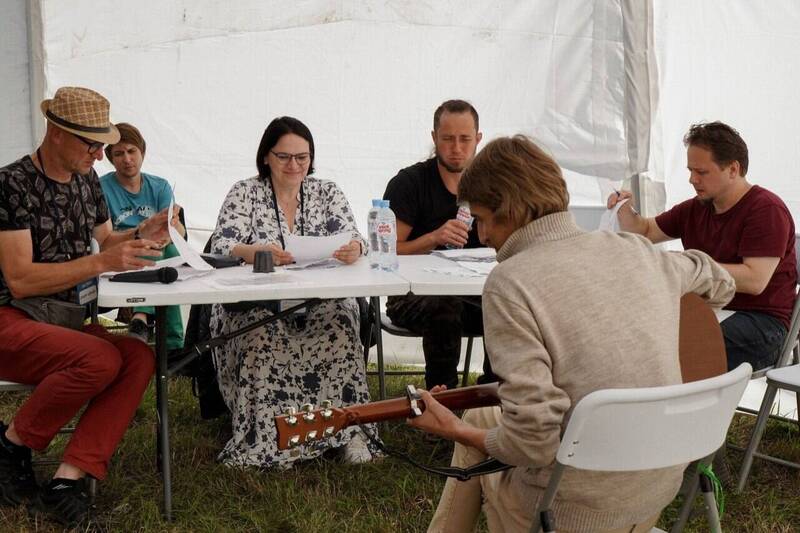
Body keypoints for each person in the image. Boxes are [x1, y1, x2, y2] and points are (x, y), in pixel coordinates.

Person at [409, 135, 736, 532]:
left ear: (508, 211)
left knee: (471, 433)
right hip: (653, 494)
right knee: (481, 412)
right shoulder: (636, 251)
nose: (481, 234)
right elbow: (719, 281)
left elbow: (534, 442)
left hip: (563, 514)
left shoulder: (510, 283)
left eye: (480, 217)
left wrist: (453, 429)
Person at [0, 87, 176, 527]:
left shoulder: (84, 183)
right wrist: (100, 261)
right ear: (56, 132)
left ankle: (67, 478)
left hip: (63, 321)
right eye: (92, 144)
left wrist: (144, 232)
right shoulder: (11, 184)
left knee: (138, 357)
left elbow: (108, 240)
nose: (101, 155)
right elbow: (20, 280)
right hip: (12, 319)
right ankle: (11, 446)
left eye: (104, 144)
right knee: (99, 358)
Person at [209, 116, 379, 468]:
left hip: (318, 299)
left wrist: (354, 249)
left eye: (302, 157)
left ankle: (349, 434)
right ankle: (266, 440)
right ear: (266, 157)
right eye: (284, 157)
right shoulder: (246, 192)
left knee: (340, 325)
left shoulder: (326, 191)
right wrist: (254, 252)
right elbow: (223, 243)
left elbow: (356, 237)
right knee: (260, 331)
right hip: (256, 301)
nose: (294, 165)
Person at [608, 122, 797, 371]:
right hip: (709, 311)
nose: (692, 179)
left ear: (733, 169)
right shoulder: (695, 208)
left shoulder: (766, 210)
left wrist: (689, 266)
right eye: (690, 170)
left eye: (702, 172)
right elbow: (644, 230)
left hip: (763, 323)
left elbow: (754, 280)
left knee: (670, 351)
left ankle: (674, 406)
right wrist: (624, 208)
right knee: (633, 335)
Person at [383, 99, 492, 389]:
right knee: (445, 303)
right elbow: (386, 249)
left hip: (474, 294)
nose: (456, 148)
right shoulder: (410, 182)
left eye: (465, 139)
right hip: (412, 296)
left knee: (509, 301)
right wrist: (433, 238)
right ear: (434, 138)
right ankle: (441, 403)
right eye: (447, 139)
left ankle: (495, 398)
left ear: (478, 139)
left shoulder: (491, 186)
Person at [100, 122, 186, 351]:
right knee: (161, 254)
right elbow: (103, 238)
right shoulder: (101, 188)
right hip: (120, 253)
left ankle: (140, 319)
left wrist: (169, 233)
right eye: (119, 153)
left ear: (142, 153)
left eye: (131, 151)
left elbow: (178, 230)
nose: (126, 159)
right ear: (110, 157)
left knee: (165, 249)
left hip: (157, 250)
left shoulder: (160, 186)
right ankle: (173, 343)